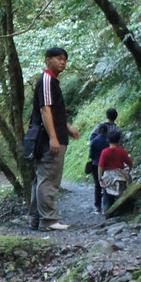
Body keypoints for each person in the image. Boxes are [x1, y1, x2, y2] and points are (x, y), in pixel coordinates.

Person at [28, 47, 81, 231]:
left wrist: (68, 128)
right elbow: (45, 109)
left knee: (41, 179)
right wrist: (53, 137)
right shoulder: (47, 80)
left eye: (65, 59)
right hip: (47, 140)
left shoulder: (52, 81)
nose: (62, 62)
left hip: (50, 137)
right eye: (59, 58)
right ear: (48, 60)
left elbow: (54, 112)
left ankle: (36, 219)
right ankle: (48, 220)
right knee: (48, 180)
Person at [86, 108, 118, 214]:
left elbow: (90, 137)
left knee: (97, 184)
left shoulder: (99, 127)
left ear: (106, 115)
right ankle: (107, 206)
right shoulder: (117, 130)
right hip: (110, 161)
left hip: (96, 162)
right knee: (108, 183)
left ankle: (98, 206)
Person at [97, 126, 134, 216]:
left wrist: (100, 178)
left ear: (108, 140)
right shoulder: (122, 151)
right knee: (122, 192)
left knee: (106, 191)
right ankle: (122, 210)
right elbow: (130, 162)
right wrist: (128, 170)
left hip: (108, 175)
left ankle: (107, 210)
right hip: (120, 174)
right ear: (119, 140)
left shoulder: (105, 152)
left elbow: (101, 166)